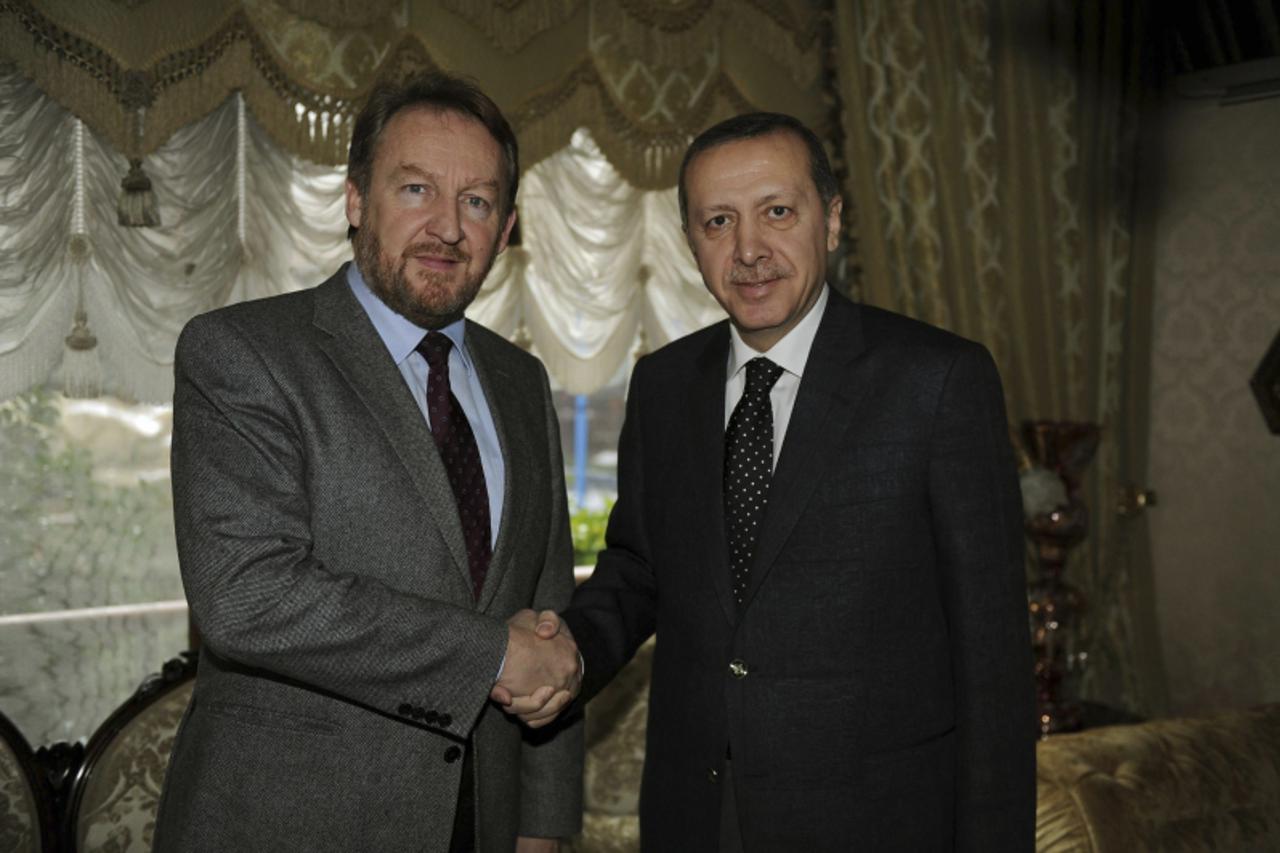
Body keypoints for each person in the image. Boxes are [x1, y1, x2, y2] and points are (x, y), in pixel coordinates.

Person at [540, 113, 1036, 850]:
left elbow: (993, 659)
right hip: (697, 815)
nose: (749, 250)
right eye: (718, 221)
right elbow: (641, 568)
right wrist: (566, 649)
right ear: (690, 242)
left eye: (778, 211)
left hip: (877, 822)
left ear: (831, 221)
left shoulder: (938, 381)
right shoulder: (663, 384)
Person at [153, 73, 583, 853]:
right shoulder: (242, 351)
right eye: (416, 188)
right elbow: (248, 597)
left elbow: (547, 609)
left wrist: (544, 825)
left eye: (478, 201)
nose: (447, 227)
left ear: (508, 225)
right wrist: (491, 653)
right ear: (356, 200)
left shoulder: (523, 382)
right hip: (288, 824)